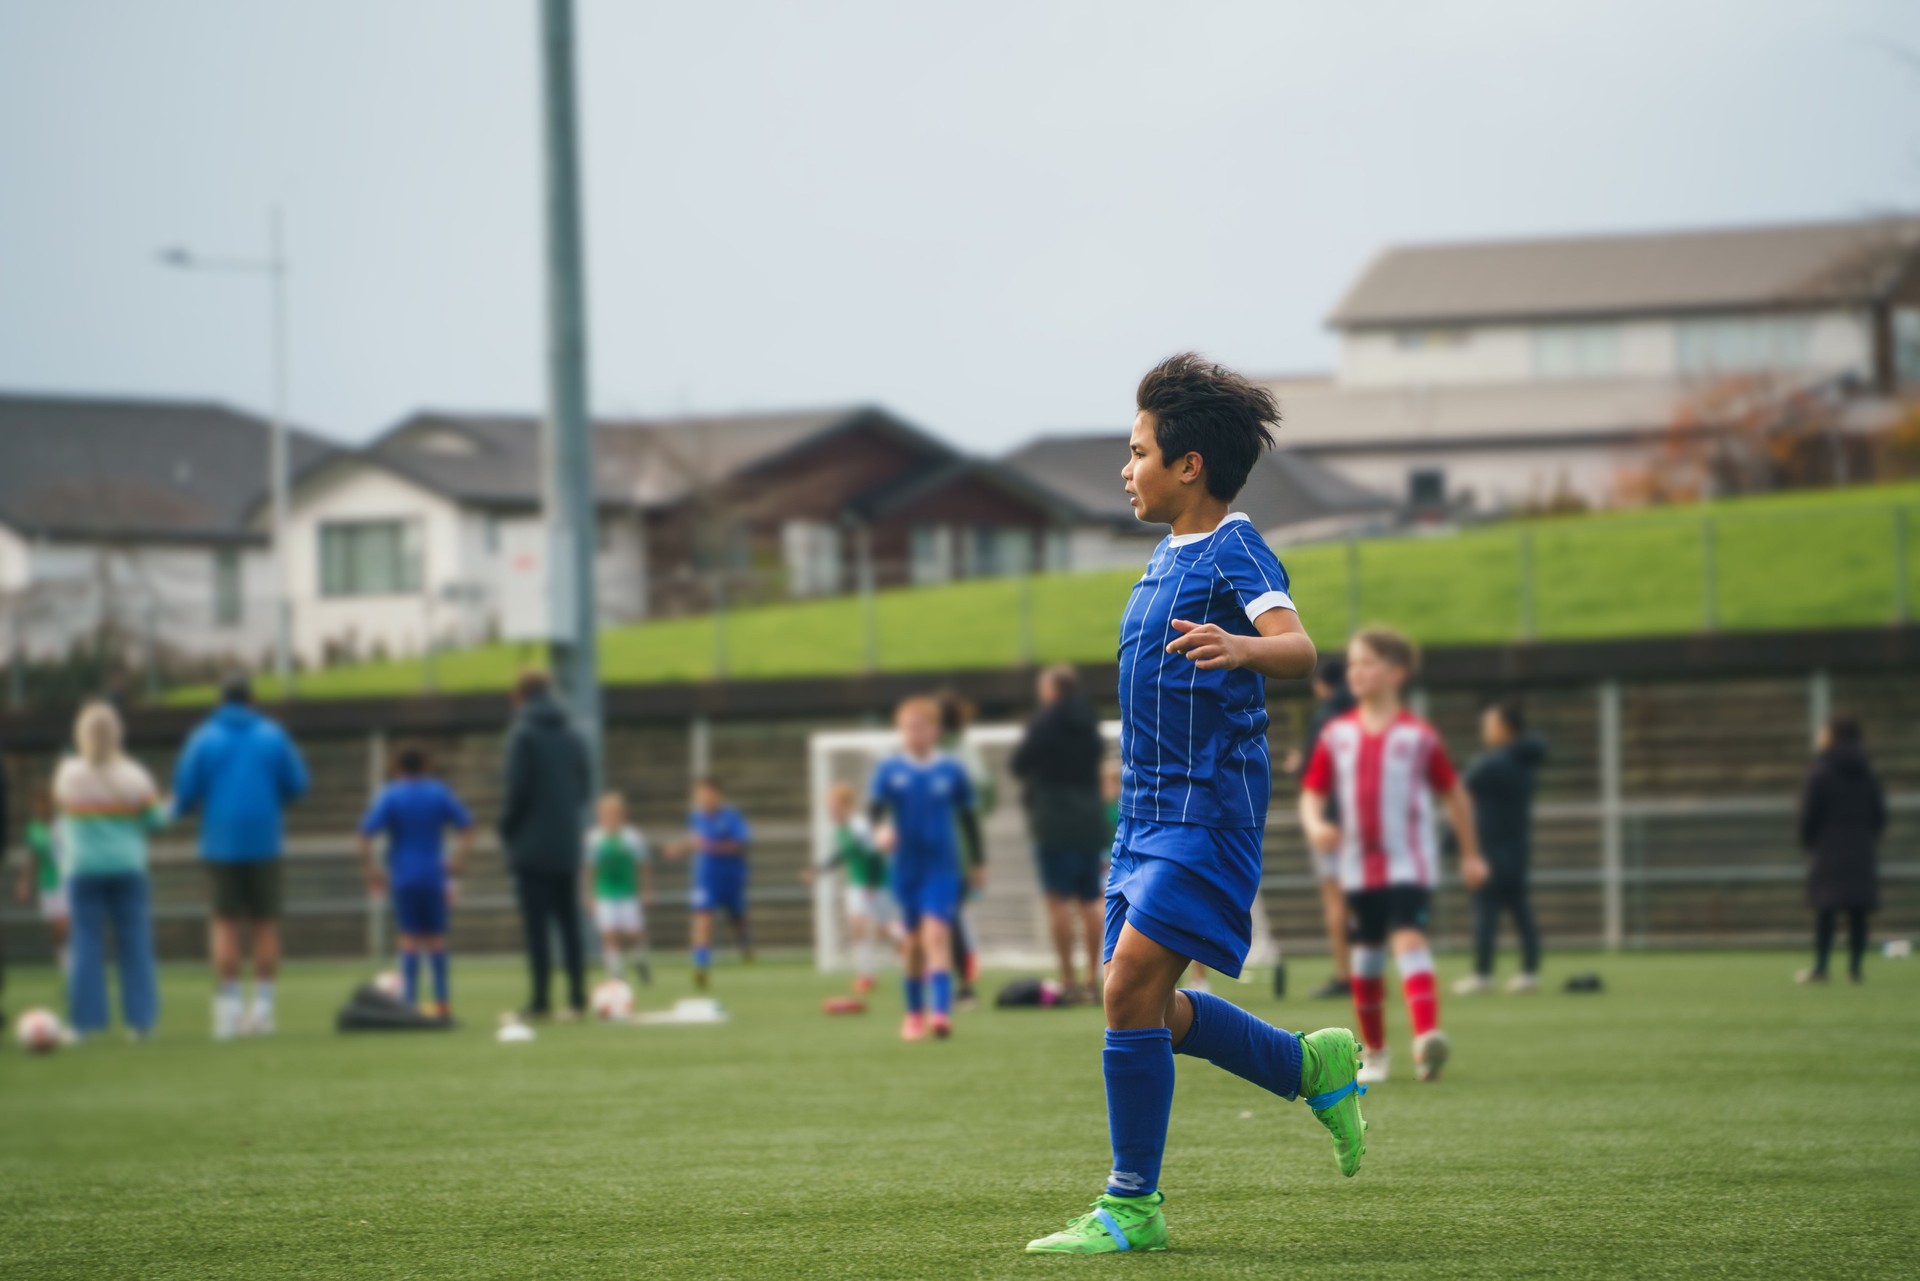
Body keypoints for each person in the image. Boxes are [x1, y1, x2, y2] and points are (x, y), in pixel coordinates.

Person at [1027, 353, 1362, 1256]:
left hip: (1205, 813)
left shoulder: (1235, 548)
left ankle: (1131, 1205)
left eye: (1138, 452)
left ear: (1189, 466)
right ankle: (1309, 1063)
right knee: (1139, 1005)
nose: (1125, 469)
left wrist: (1243, 647)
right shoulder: (1164, 555)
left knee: (1128, 988)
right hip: (1143, 819)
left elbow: (1299, 649)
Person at [1299, 627, 1488, 1086]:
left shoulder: (1417, 737)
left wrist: (1470, 854)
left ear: (1397, 673)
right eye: (1353, 663)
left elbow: (1454, 795)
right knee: (1365, 957)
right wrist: (1316, 824)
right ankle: (1376, 1051)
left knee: (1408, 939)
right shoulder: (1337, 734)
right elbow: (1312, 792)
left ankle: (1426, 1041)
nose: (1356, 671)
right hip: (1357, 867)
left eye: (1368, 663)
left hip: (1408, 863)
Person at [173, 674, 308, 1039]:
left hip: (219, 841)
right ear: (252, 700)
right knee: (265, 923)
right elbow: (297, 784)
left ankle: (230, 1010)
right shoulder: (273, 735)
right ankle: (263, 1009)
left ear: (221, 701)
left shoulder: (203, 737)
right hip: (265, 840)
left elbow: (185, 792)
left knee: (224, 923)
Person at [869, 695, 980, 1041]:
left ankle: (941, 1013)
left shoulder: (950, 770)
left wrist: (977, 862)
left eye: (920, 727)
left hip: (942, 868)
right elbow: (875, 809)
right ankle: (914, 1013)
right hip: (906, 869)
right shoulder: (890, 770)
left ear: (934, 731)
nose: (913, 734)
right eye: (907, 728)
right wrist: (880, 831)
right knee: (914, 944)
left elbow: (968, 817)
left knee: (937, 935)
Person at [54, 701, 165, 1040]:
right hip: (128, 867)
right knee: (135, 943)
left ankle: (84, 1022)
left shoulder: (68, 774)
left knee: (85, 943)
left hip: (83, 868)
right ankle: (140, 1022)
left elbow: (61, 808)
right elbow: (155, 821)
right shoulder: (134, 775)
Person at [499, 669, 593, 1021]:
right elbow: (584, 788)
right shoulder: (572, 733)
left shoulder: (522, 734)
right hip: (566, 843)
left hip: (531, 847)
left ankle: (540, 1001)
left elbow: (518, 791)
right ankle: (577, 998)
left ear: (519, 696)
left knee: (536, 928)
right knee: (570, 925)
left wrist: (507, 829)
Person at [1012, 664, 1108, 1002]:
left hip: (1054, 819)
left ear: (1052, 690)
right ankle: (1092, 980)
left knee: (1058, 901)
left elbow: (1019, 764)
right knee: (1090, 900)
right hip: (1090, 819)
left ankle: (1068, 980)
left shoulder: (1045, 722)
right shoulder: (1090, 722)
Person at [357, 745, 474, 1018]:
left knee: (409, 939)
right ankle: (442, 1002)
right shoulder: (439, 792)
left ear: (398, 768)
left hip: (403, 875)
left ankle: (408, 1004)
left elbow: (365, 834)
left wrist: (371, 870)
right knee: (436, 939)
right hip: (434, 874)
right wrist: (458, 862)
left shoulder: (392, 794)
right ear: (426, 766)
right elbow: (467, 827)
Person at [1457, 701, 1547, 995]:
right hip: (1517, 847)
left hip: (1490, 849)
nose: (1485, 730)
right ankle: (1529, 972)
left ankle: (1483, 974)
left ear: (1506, 729)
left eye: (1490, 724)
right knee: (1521, 911)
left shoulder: (1491, 764)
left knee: (1487, 913)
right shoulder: (1526, 761)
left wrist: (1451, 842)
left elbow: (1461, 795)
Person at [1285, 657, 1356, 1000]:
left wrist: (1298, 764)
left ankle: (1344, 975)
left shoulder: (1325, 718)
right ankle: (1367, 970)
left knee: (1335, 899)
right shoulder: (1362, 713)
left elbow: (1313, 772)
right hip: (1364, 817)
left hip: (1329, 818)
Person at [1796, 715, 1885, 985]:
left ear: (1832, 736)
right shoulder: (1867, 772)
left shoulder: (1821, 771)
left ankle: (1821, 968)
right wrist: (1866, 838)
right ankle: (1855, 970)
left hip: (1828, 849)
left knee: (1826, 911)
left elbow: (1809, 815)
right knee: (1858, 912)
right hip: (1861, 849)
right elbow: (1880, 815)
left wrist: (1810, 842)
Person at [667, 777, 752, 991]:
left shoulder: (732, 816)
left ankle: (745, 945)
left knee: (737, 919)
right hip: (706, 878)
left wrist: (711, 846)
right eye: (698, 795)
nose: (702, 799)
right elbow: (696, 840)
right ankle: (701, 965)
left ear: (717, 795)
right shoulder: (695, 816)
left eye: (705, 794)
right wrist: (679, 848)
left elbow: (741, 844)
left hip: (731, 877)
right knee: (703, 919)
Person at [936, 690, 990, 1008]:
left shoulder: (938, 755)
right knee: (948, 916)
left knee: (943, 917)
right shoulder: (965, 754)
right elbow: (985, 798)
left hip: (940, 851)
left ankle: (957, 985)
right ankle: (960, 984)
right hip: (954, 851)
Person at [809, 780, 887, 993]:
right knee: (857, 927)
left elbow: (875, 853)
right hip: (856, 884)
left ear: (845, 805)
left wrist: (871, 882)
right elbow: (843, 855)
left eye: (833, 805)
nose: (829, 810)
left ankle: (924, 966)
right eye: (828, 806)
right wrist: (819, 870)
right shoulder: (840, 828)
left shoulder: (859, 825)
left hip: (876, 883)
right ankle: (866, 976)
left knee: (887, 930)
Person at [584, 790, 653, 986]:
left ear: (622, 815)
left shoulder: (631, 837)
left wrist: (646, 890)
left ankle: (640, 960)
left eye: (614, 813)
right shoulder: (594, 839)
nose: (610, 818)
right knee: (609, 933)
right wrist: (588, 894)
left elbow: (643, 865)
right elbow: (590, 869)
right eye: (605, 814)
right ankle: (616, 974)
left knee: (634, 934)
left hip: (628, 893)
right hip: (605, 893)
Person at [14, 784, 69, 981]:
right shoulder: (34, 829)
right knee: (56, 929)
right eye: (38, 804)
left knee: (65, 924)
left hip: (68, 880)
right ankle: (63, 962)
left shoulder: (64, 823)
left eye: (45, 803)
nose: (42, 807)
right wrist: (24, 883)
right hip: (47, 882)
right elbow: (32, 857)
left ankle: (72, 967)